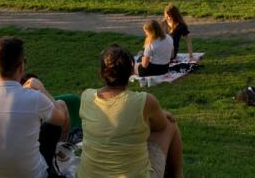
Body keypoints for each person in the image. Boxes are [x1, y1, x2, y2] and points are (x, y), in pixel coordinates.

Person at [78, 45, 184, 178]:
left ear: (101, 74)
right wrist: (160, 114)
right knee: (170, 124)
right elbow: (161, 126)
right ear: (131, 72)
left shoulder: (86, 96)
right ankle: (178, 174)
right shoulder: (145, 101)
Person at [0, 36, 68, 178]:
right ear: (22, 67)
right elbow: (61, 119)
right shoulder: (35, 98)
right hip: (31, 174)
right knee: (52, 126)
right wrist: (42, 89)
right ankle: (58, 158)